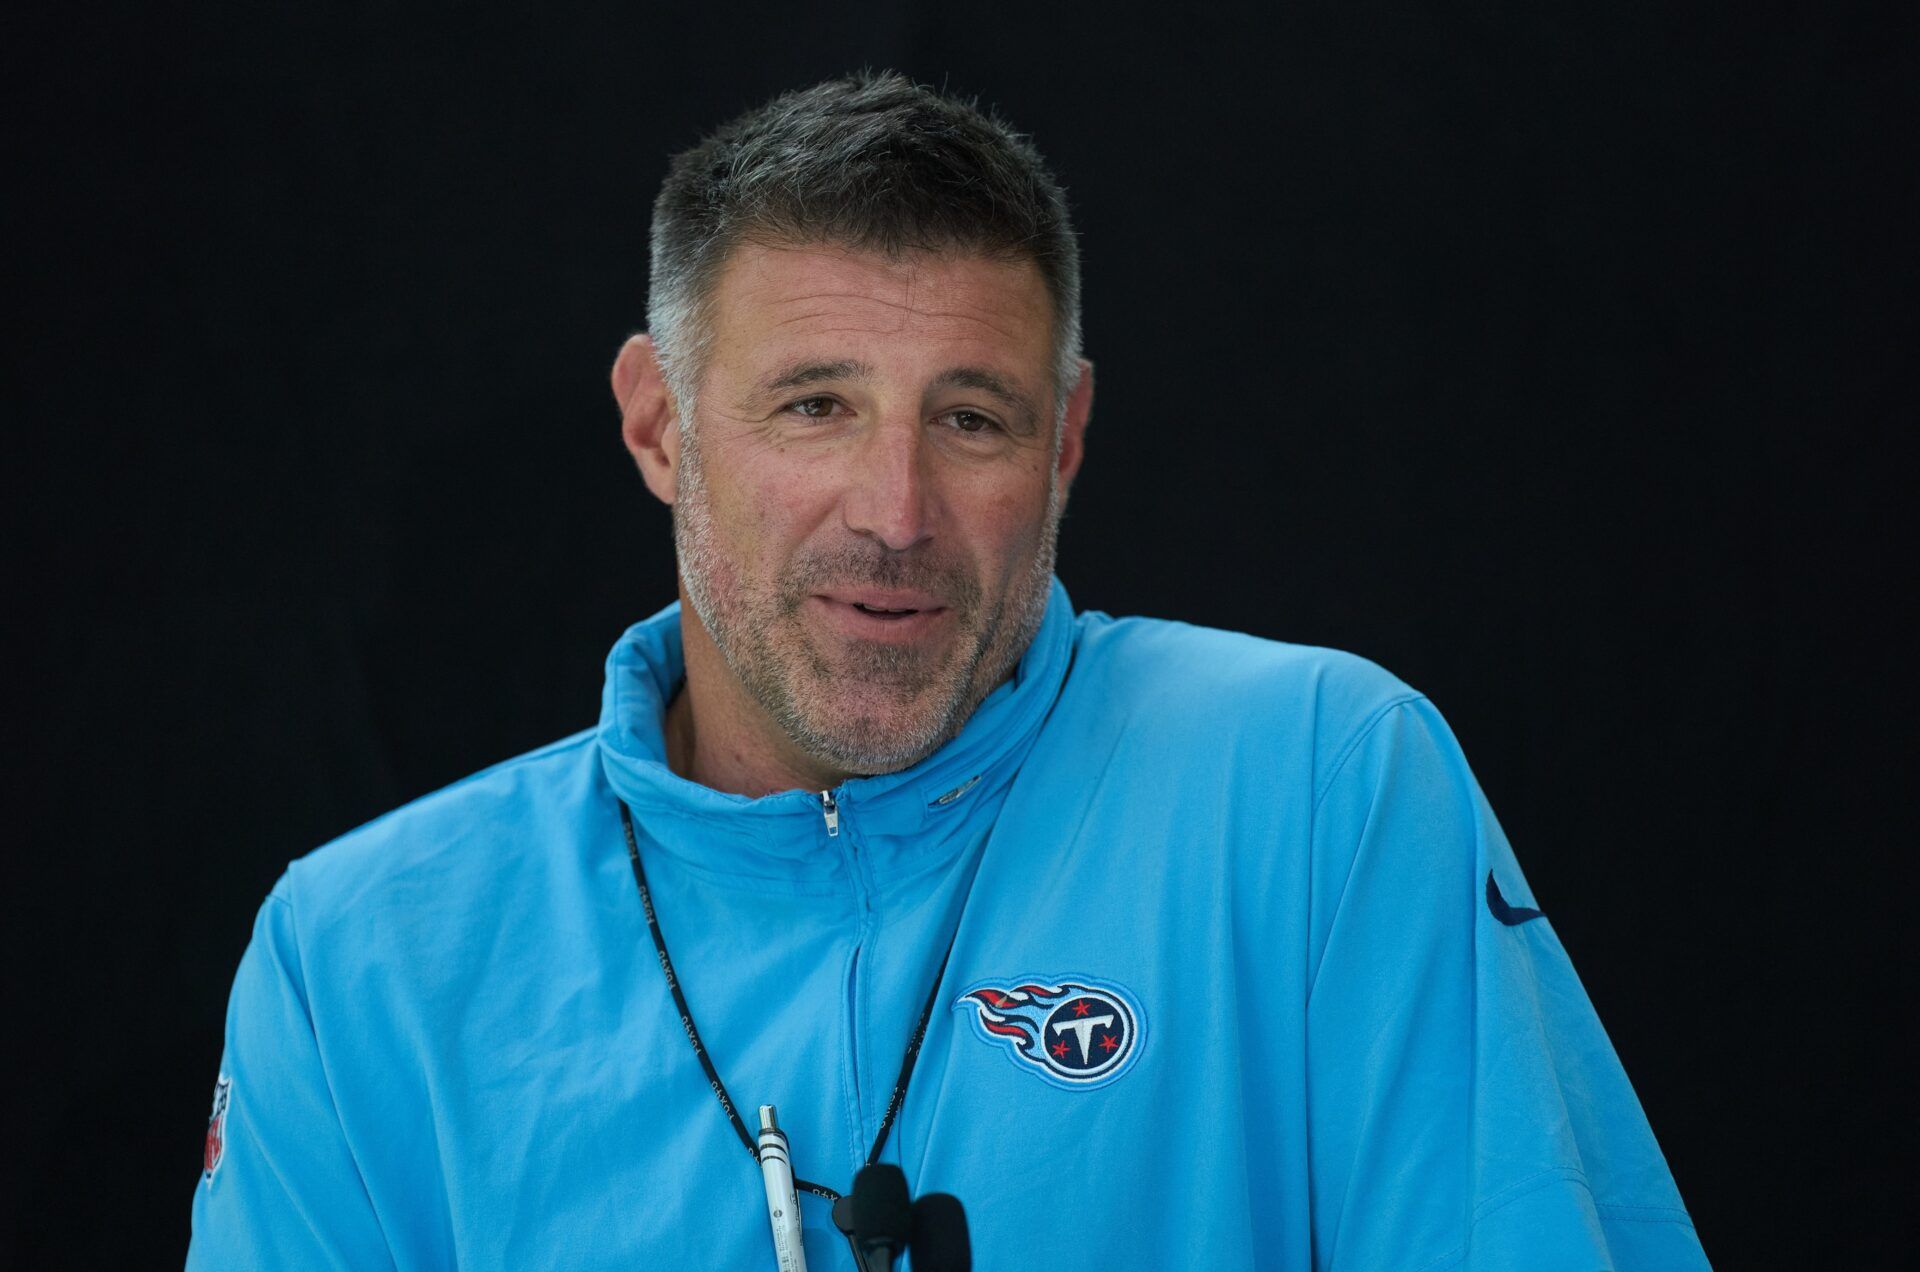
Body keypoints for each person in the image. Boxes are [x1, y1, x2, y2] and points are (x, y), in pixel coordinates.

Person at [188, 72, 1710, 1270]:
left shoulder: (1319, 787)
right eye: (814, 407)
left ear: (1066, 442)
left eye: (970, 418)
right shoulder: (362, 961)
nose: (896, 514)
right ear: (660, 426)